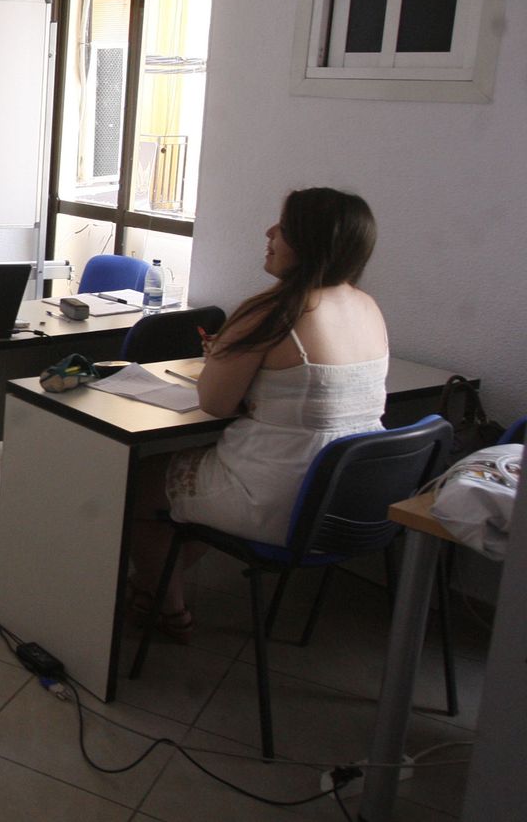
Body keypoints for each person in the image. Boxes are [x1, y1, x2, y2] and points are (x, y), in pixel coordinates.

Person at [128, 188, 387, 640]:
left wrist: (223, 357)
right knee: (183, 482)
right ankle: (154, 582)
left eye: (283, 227)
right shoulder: (367, 306)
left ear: (310, 242)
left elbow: (214, 403)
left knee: (140, 481)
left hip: (282, 497)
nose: (269, 233)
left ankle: (166, 606)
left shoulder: (273, 311)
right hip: (353, 498)